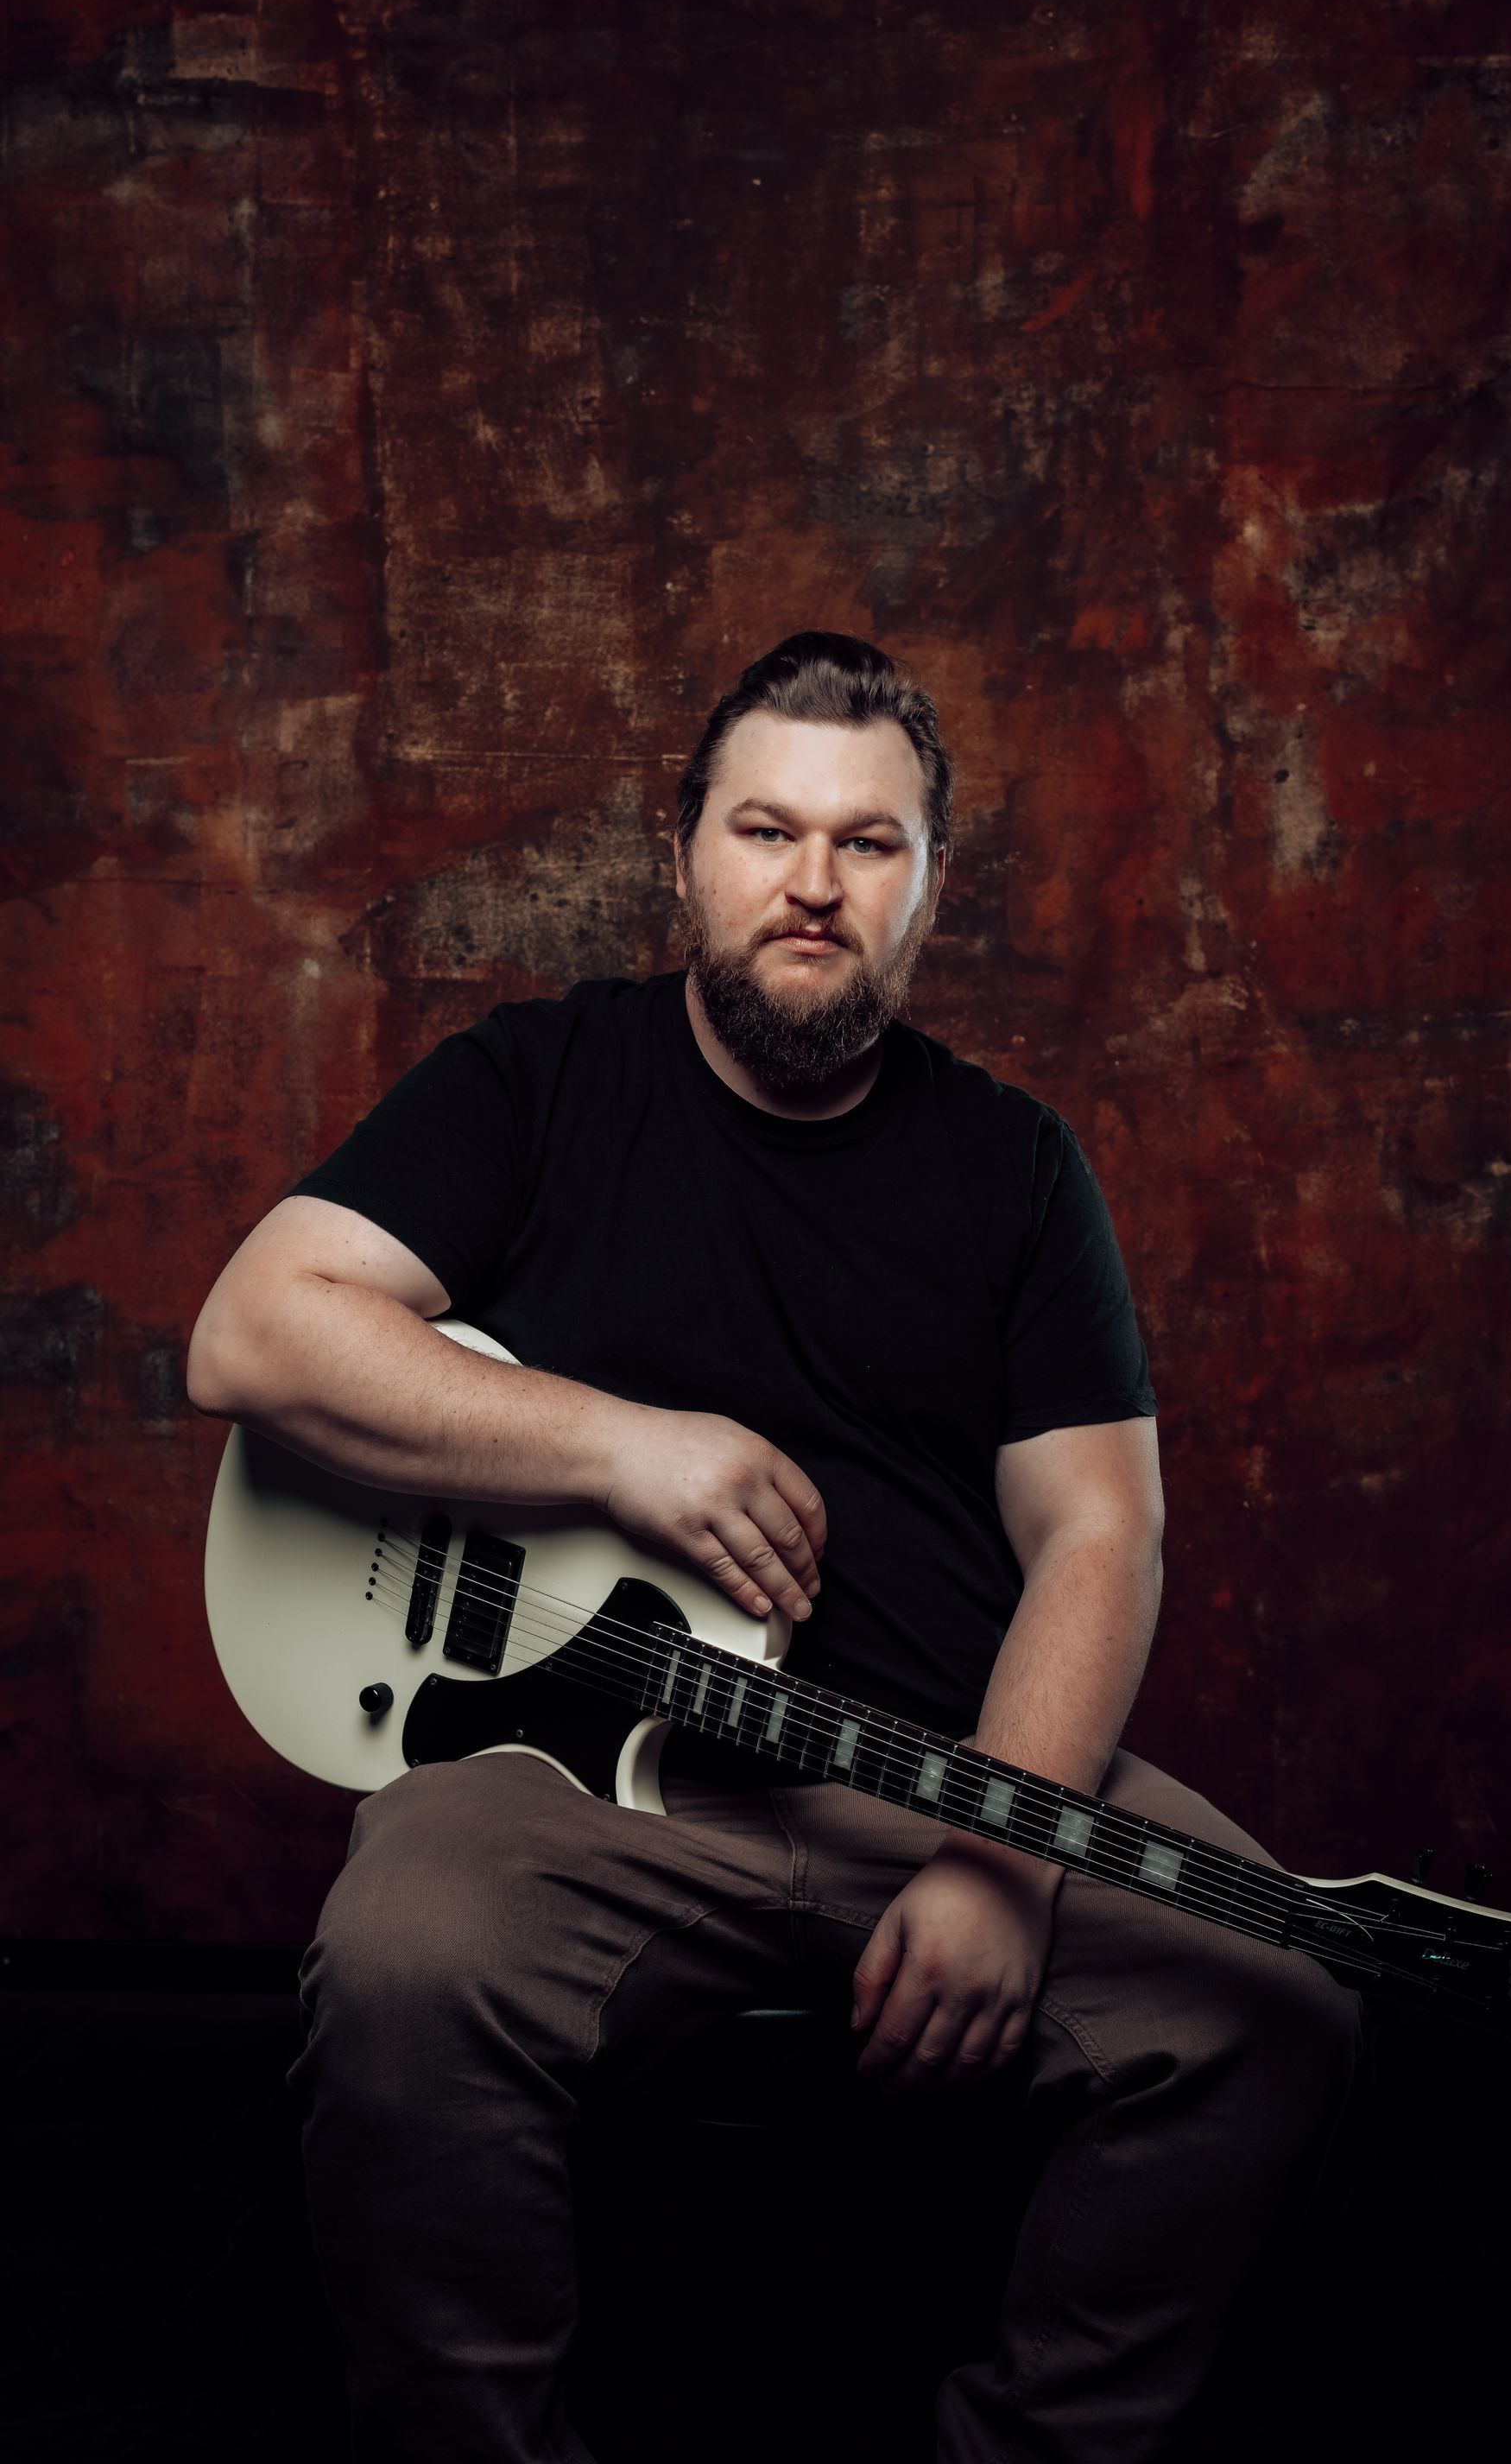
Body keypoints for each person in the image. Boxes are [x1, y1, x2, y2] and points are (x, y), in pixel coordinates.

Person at [187, 630, 1359, 2464]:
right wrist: (622, 1445)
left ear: (930, 888)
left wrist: (1003, 1859)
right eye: (767, 830)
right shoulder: (535, 1082)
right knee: (408, 1962)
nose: (814, 883)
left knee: (1273, 1995)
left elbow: (1103, 1532)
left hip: (936, 1765)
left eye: (868, 843)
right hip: (570, 1792)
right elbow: (255, 1335)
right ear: (685, 857)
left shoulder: (1015, 1167)